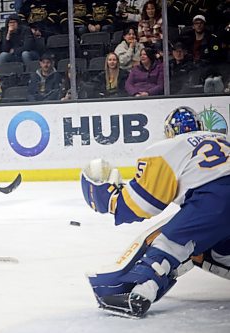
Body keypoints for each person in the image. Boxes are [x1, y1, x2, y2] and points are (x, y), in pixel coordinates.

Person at [81, 106, 230, 318]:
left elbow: (143, 204)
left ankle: (141, 293)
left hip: (214, 199)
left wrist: (110, 199)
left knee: (168, 244)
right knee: (216, 250)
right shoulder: (223, 139)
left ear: (170, 131)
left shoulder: (170, 147)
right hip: (217, 203)